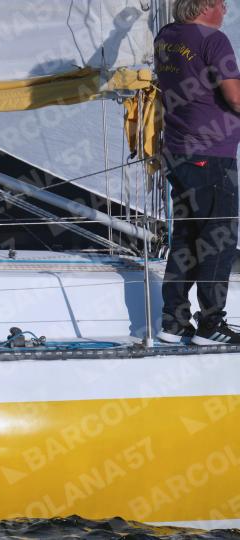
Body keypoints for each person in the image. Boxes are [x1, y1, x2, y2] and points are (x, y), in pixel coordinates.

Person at [155, 0, 240, 345]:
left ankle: (173, 322)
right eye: (221, 4)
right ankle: (210, 325)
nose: (225, 10)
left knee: (187, 238)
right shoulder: (214, 40)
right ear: (205, 5)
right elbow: (235, 98)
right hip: (211, 154)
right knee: (219, 239)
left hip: (178, 153)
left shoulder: (165, 35)